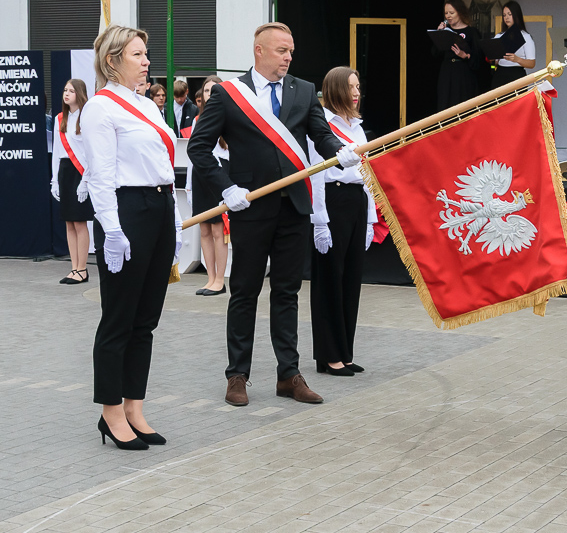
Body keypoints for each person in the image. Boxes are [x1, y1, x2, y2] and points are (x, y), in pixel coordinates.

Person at [188, 22, 362, 407]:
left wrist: (341, 150)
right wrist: (226, 187)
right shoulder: (231, 94)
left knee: (287, 292)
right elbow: (199, 147)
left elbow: (320, 135)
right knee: (245, 292)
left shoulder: (303, 90)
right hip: (250, 205)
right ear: (259, 51)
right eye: (282, 50)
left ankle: (289, 375)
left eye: (291, 51)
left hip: (294, 207)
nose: (288, 57)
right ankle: (237, 375)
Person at [81, 25, 182, 450]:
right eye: (137, 54)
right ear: (113, 60)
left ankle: (134, 407)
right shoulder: (101, 109)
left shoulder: (147, 105)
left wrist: (172, 221)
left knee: (146, 321)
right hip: (127, 212)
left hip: (158, 209)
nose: (146, 61)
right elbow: (101, 176)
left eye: (146, 53)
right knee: (118, 319)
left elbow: (163, 164)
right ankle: (110, 413)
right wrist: (113, 230)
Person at [309, 67, 377, 377]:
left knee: (350, 280)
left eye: (359, 86)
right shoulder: (321, 123)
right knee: (329, 282)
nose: (356, 92)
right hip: (332, 201)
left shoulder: (358, 126)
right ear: (335, 88)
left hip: (356, 201)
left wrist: (370, 219)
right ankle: (328, 356)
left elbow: (367, 174)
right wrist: (319, 220)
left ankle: (345, 352)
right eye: (351, 86)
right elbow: (316, 173)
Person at [186, 75, 229, 296]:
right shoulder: (197, 119)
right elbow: (193, 154)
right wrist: (189, 186)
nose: (210, 95)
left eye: (214, 90)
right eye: (206, 91)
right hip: (200, 178)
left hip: (219, 175)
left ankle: (220, 279)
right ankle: (210, 277)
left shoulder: (228, 117)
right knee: (203, 229)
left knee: (217, 230)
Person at [50, 79, 94, 284]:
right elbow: (57, 153)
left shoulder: (87, 118)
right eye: (65, 90)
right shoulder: (60, 118)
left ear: (80, 93)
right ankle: (74, 267)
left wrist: (85, 181)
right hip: (65, 171)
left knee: (79, 221)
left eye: (71, 91)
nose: (66, 94)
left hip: (81, 172)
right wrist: (54, 181)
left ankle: (83, 269)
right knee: (69, 222)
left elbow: (90, 153)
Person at [434, 0, 482, 111]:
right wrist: (438, 34)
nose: (448, 16)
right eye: (446, 13)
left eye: (451, 13)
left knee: (463, 107)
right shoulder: (445, 31)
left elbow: (478, 59)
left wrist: (465, 56)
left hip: (464, 74)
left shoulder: (472, 32)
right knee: (446, 106)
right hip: (447, 73)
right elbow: (435, 54)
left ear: (460, 12)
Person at [491, 1, 536, 89]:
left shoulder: (525, 36)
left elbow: (532, 63)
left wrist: (517, 59)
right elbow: (495, 61)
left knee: (517, 102)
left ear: (516, 15)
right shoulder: (499, 36)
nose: (506, 18)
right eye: (504, 15)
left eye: (509, 14)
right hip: (500, 74)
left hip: (516, 74)